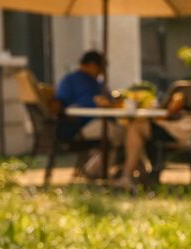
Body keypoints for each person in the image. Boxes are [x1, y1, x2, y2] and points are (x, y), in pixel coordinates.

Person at [52, 49, 148, 186]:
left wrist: (112, 103)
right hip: (81, 125)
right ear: (90, 64)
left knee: (130, 130)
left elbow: (109, 102)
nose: (102, 71)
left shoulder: (98, 83)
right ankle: (136, 173)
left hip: (104, 121)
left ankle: (99, 169)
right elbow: (59, 104)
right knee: (129, 133)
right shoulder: (70, 80)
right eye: (101, 67)